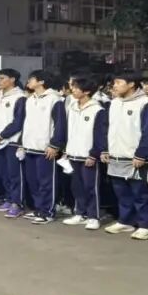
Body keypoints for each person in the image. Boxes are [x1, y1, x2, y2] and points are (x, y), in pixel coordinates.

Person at [102, 72, 148, 240]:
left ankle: (145, 225)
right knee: (122, 193)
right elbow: (108, 128)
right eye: (114, 83)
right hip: (116, 155)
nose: (114, 86)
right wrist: (105, 149)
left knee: (141, 194)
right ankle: (125, 221)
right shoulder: (114, 103)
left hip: (136, 157)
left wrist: (141, 154)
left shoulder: (146, 104)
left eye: (118, 82)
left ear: (131, 84)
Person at [20, 70, 66, 225]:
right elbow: (26, 123)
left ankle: (48, 212)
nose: (28, 82)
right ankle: (38, 209)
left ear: (41, 81)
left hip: (45, 148)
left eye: (31, 79)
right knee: (33, 181)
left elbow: (60, 124)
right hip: (29, 146)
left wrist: (55, 145)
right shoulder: (30, 99)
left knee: (46, 182)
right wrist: (22, 144)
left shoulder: (54, 99)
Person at [62, 76, 107, 230]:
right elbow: (69, 130)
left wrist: (94, 154)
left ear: (87, 91)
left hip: (88, 155)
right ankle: (79, 213)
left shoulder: (97, 109)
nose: (73, 90)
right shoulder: (72, 107)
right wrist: (66, 150)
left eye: (76, 88)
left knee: (91, 187)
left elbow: (100, 134)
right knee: (77, 186)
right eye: (73, 87)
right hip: (73, 153)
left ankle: (93, 216)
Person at [0, 68, 28, 218]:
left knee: (15, 174)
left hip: (12, 141)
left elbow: (18, 122)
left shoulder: (20, 97)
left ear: (12, 79)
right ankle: (9, 198)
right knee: (4, 173)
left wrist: (1, 136)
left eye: (2, 78)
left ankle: (18, 203)